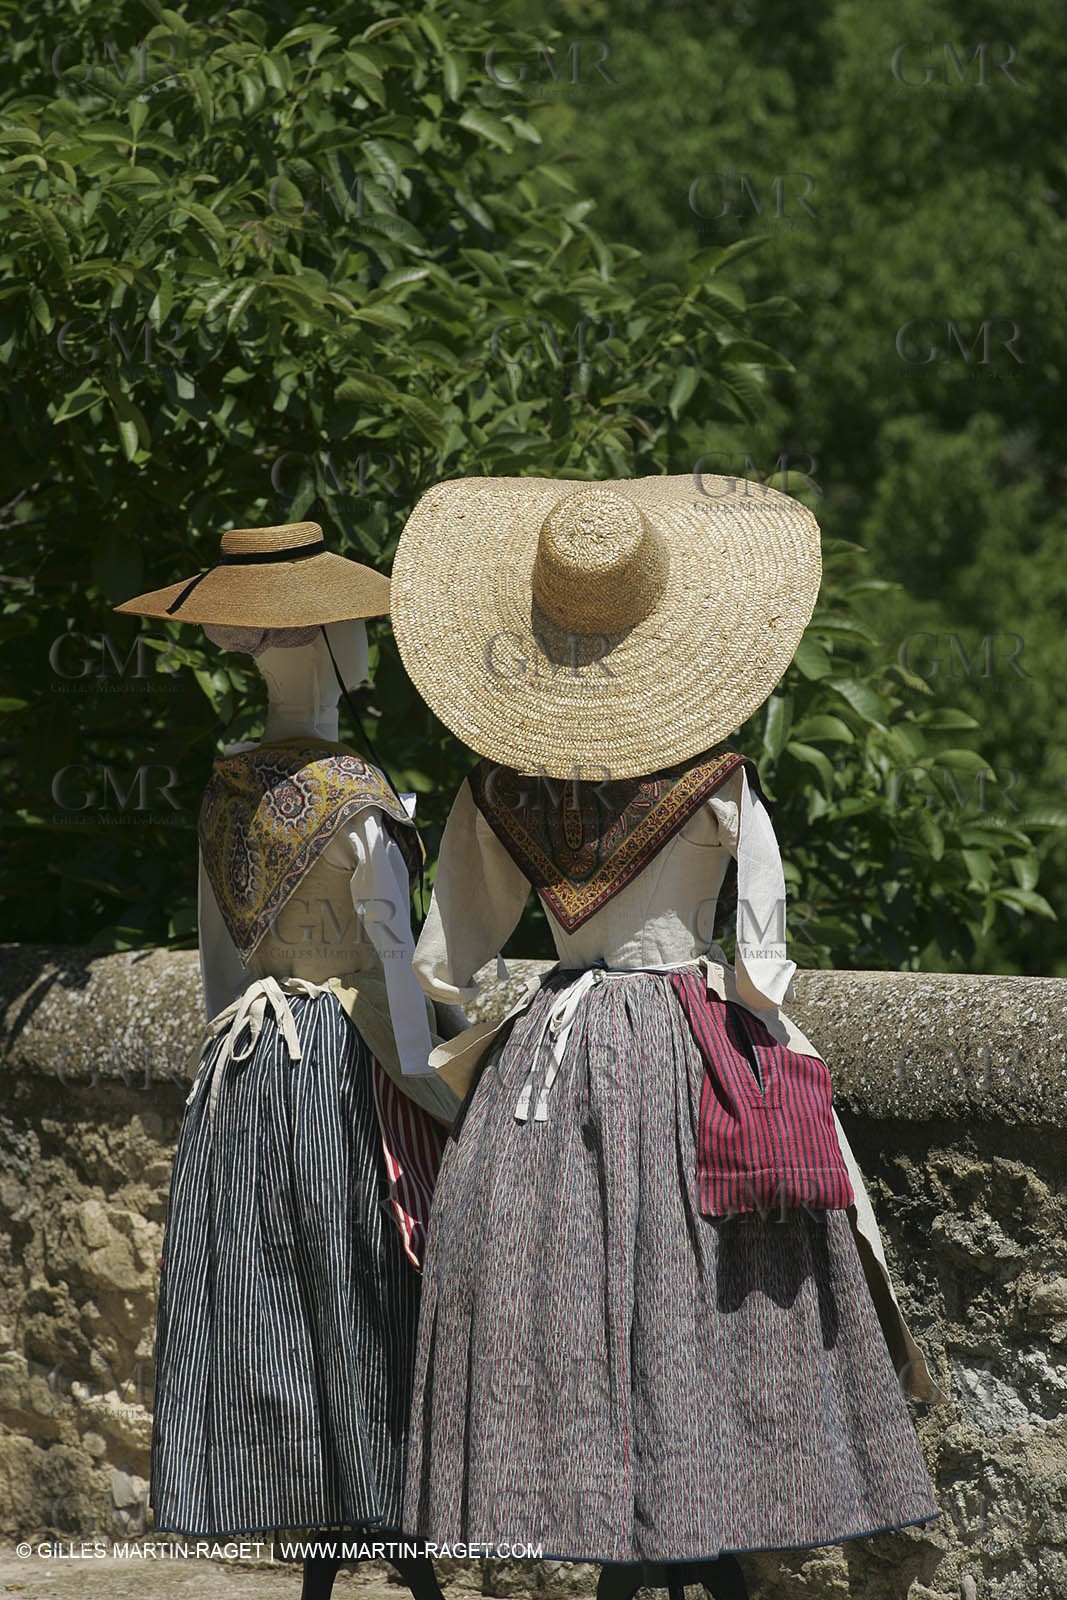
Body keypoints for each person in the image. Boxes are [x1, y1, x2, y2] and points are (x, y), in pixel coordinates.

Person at [388, 477, 943, 1600]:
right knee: (700, 1310)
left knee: (566, 1317)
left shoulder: (494, 792)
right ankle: (709, 1523)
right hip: (685, 1060)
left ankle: (605, 1525)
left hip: (545, 1071)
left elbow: (440, 962)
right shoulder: (720, 785)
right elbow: (760, 966)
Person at [115, 521, 457, 1600]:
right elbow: (395, 974)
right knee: (358, 1290)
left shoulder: (224, 792)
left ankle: (312, 1529)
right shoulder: (362, 800)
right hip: (341, 1069)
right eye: (354, 626)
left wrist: (237, 1069)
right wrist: (440, 1095)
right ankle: (383, 1522)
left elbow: (219, 969)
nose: (368, 644)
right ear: (318, 638)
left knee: (271, 1302)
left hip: (244, 1073)